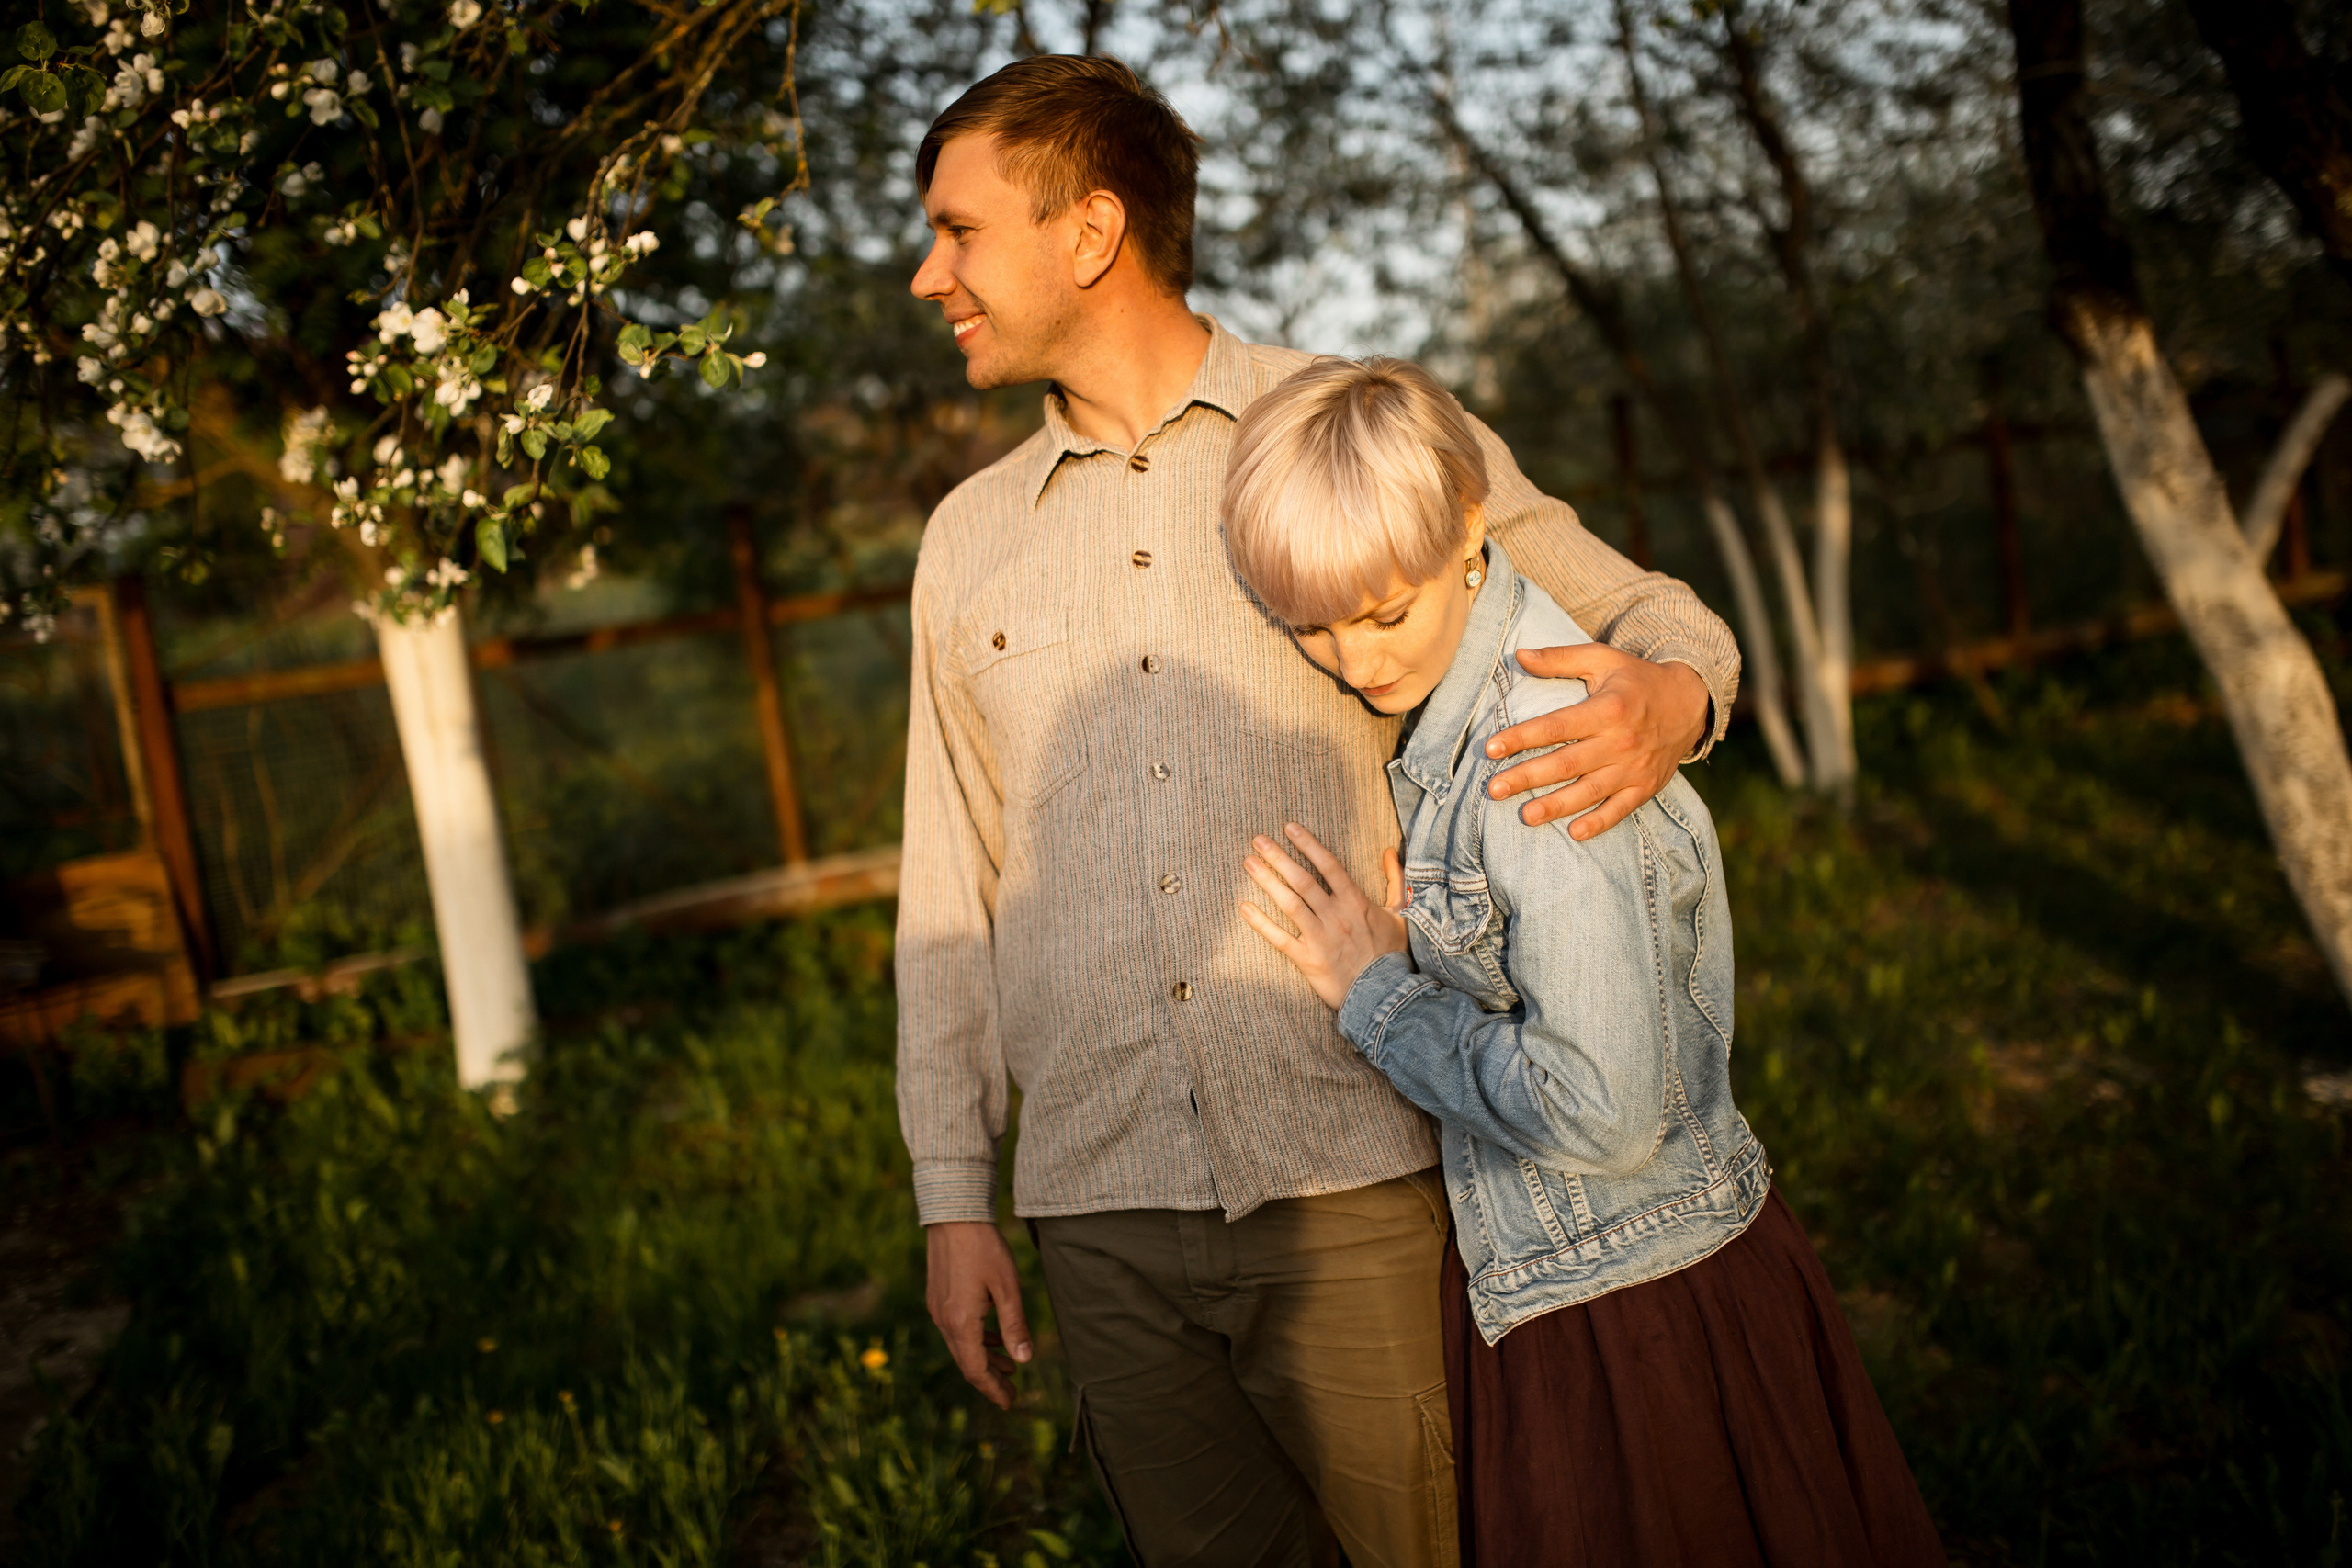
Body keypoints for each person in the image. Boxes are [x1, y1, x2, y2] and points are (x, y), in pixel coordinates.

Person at [896, 53, 1743, 1568]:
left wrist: (1670, 699)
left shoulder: (1361, 429)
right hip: (1097, 1212)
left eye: (958, 231)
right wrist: (953, 1197)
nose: (926, 274)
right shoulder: (965, 544)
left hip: (1360, 1176)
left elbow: (1643, 611)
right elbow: (950, 884)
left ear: (1089, 234)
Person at [1225, 355, 1947, 1568]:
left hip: (1633, 1312)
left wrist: (1378, 995)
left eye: (1382, 611)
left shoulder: (1532, 755)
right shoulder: (1469, 712)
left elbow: (1601, 1112)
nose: (1353, 661)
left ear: (1467, 525)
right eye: (1314, 625)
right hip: (1624, 1274)